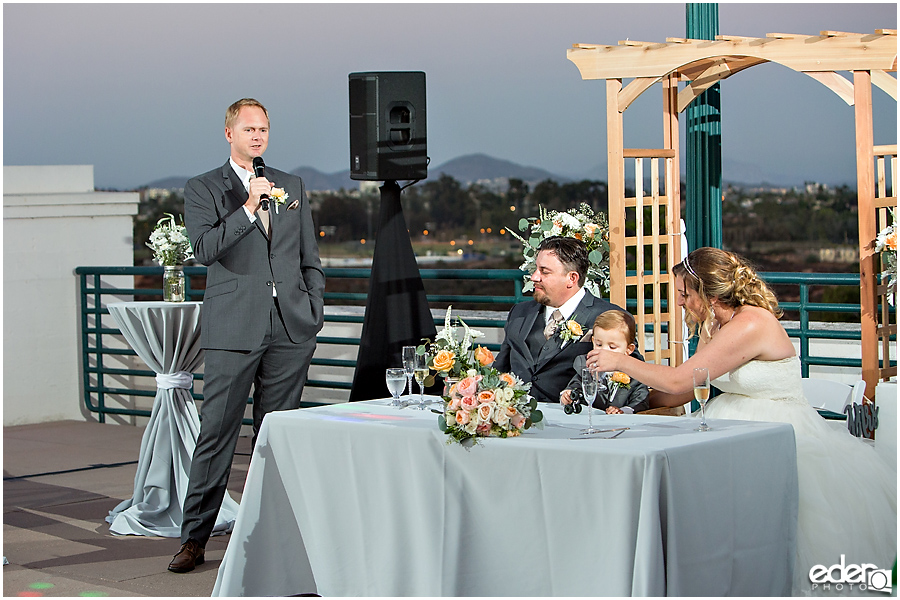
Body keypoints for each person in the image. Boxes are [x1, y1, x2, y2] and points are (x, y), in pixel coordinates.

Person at [586, 247, 896, 594]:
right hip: (728, 424)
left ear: (707, 291)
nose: (680, 303)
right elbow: (687, 390)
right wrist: (629, 406)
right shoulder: (714, 324)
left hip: (776, 432)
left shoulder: (751, 323)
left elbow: (678, 379)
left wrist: (620, 362)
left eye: (684, 294)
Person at [168, 98, 325, 573]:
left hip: (290, 326)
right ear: (229, 133)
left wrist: (312, 305)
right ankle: (195, 538)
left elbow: (308, 253)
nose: (257, 136)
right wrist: (251, 205)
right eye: (248, 129)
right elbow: (204, 249)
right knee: (216, 434)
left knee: (276, 435)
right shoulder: (203, 188)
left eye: (263, 129)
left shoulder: (292, 184)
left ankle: (268, 535)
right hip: (233, 326)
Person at [493, 236, 638, 404]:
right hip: (519, 420)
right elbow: (499, 371)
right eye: (536, 269)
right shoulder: (519, 313)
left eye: (544, 271)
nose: (534, 277)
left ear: (572, 278)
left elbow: (632, 377)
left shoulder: (611, 316)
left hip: (578, 419)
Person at [561, 310, 649, 414]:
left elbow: (641, 401)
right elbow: (576, 385)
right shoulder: (586, 364)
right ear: (593, 341)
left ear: (628, 349)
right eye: (599, 344)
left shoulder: (635, 372)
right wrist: (568, 395)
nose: (604, 351)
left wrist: (624, 411)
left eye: (612, 347)